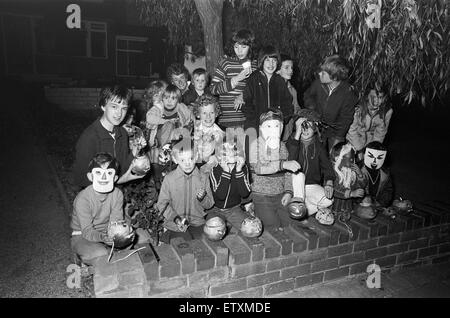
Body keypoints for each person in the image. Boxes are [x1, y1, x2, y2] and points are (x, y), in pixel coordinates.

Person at [72, 85, 145, 190]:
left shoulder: (122, 133)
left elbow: (121, 169)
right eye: (114, 106)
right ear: (103, 106)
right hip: (95, 199)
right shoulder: (90, 138)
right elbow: (80, 179)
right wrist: (119, 180)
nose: (119, 113)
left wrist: (134, 151)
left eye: (124, 108)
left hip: (116, 197)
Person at [70, 152, 133, 266]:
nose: (104, 177)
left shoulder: (117, 194)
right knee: (101, 254)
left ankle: (115, 258)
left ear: (115, 178)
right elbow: (87, 231)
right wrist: (103, 238)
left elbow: (116, 221)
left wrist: (119, 234)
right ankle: (82, 258)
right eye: (98, 173)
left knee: (134, 237)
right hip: (83, 234)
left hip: (106, 230)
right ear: (90, 176)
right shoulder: (83, 199)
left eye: (109, 173)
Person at [248, 109, 300, 230]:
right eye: (269, 126)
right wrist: (283, 165)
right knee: (272, 226)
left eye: (277, 126)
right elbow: (259, 168)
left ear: (282, 128)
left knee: (290, 223)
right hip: (262, 195)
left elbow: (288, 174)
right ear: (261, 128)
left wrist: (288, 191)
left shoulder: (282, 147)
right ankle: (254, 209)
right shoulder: (256, 145)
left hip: (280, 194)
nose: (273, 130)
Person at [156, 140, 214, 242]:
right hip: (175, 224)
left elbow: (209, 204)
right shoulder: (169, 179)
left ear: (196, 157)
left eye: (191, 159)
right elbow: (162, 204)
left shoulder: (203, 177)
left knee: (205, 244)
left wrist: (203, 198)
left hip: (197, 222)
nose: (187, 164)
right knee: (183, 244)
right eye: (182, 160)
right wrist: (175, 218)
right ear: (175, 159)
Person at [285, 109, 335, 220]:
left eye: (309, 126)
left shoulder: (319, 146)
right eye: (302, 126)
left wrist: (329, 182)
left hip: (310, 185)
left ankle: (302, 211)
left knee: (329, 200)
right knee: (299, 175)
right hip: (293, 185)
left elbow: (327, 168)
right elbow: (290, 159)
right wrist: (297, 135)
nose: (305, 130)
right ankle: (298, 204)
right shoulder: (292, 141)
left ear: (315, 127)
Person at [303, 55, 358, 152]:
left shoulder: (348, 93)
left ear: (334, 77)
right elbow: (308, 95)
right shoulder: (318, 84)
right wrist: (312, 109)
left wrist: (339, 135)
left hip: (335, 132)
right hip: (316, 127)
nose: (319, 74)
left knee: (334, 158)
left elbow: (346, 118)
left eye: (323, 73)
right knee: (315, 155)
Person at [146, 84, 195, 185]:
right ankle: (158, 182)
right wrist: (165, 120)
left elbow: (191, 119)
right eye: (166, 97)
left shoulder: (181, 107)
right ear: (162, 98)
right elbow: (149, 118)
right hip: (159, 142)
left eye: (173, 98)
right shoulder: (158, 107)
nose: (169, 101)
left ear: (178, 99)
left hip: (177, 140)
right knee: (168, 124)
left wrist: (188, 128)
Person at [210, 29, 258, 128]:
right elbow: (213, 89)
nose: (239, 51)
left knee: (248, 143)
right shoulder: (226, 63)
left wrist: (243, 95)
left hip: (249, 120)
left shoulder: (255, 65)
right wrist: (236, 79)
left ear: (251, 47)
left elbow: (258, 91)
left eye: (243, 47)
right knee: (230, 144)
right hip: (227, 120)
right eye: (236, 47)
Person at [242, 45, 293, 132]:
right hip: (254, 128)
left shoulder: (280, 81)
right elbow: (246, 103)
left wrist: (280, 119)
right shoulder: (253, 79)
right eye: (267, 60)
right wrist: (256, 120)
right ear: (262, 61)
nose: (271, 64)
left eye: (274, 60)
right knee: (252, 145)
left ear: (278, 63)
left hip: (274, 129)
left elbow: (287, 104)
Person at [208, 141, 251, 233]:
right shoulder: (215, 170)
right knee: (214, 233)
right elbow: (221, 195)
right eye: (226, 152)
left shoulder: (243, 168)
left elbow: (244, 194)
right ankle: (228, 227)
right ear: (219, 156)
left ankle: (230, 226)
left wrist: (239, 170)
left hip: (234, 209)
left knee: (250, 229)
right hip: (215, 210)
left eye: (234, 150)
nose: (231, 153)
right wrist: (226, 172)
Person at [346, 86, 393, 156]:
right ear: (367, 96)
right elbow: (351, 130)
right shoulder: (357, 108)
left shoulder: (387, 112)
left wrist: (372, 149)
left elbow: (380, 133)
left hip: (369, 143)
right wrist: (359, 149)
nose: (376, 101)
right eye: (373, 97)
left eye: (380, 97)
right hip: (353, 141)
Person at [330, 142, 367, 221]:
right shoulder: (332, 172)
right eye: (350, 158)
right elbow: (334, 190)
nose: (352, 161)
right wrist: (351, 193)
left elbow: (360, 185)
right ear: (338, 158)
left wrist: (360, 175)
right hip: (335, 205)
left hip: (347, 206)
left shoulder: (351, 172)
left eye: (353, 159)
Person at [192, 94, 225, 172]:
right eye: (204, 113)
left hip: (210, 164)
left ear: (216, 113)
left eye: (212, 113)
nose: (208, 117)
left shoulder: (219, 132)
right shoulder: (193, 129)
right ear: (198, 115)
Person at [361, 141, 394, 208]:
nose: (374, 161)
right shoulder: (358, 170)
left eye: (379, 158)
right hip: (361, 204)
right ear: (364, 155)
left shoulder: (385, 174)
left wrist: (380, 203)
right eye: (371, 156)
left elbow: (388, 190)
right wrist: (361, 199)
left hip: (377, 205)